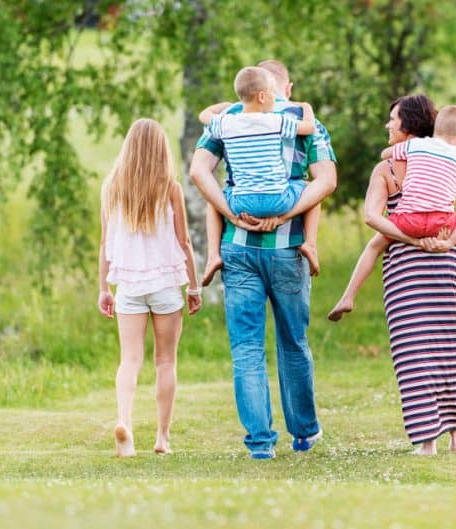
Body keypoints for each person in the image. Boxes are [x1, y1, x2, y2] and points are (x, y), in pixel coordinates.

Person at [189, 59, 336, 460]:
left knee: (247, 348)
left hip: (238, 245)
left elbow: (199, 171)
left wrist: (231, 212)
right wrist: (287, 215)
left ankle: (259, 443)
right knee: (293, 341)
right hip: (288, 247)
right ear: (284, 86)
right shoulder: (304, 123)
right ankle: (303, 432)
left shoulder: (231, 119)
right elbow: (326, 181)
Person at [363, 95, 456, 455]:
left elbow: (373, 220)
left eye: (393, 119)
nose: (388, 125)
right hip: (446, 260)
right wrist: (453, 238)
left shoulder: (387, 167)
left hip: (405, 270)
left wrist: (407, 237)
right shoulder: (454, 159)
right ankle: (454, 432)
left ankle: (427, 439)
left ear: (409, 125)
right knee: (450, 352)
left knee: (413, 354)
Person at [329, 105, 456, 336]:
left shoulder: (414, 146)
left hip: (408, 219)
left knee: (374, 246)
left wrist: (405, 152)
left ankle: (348, 297)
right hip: (441, 222)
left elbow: (386, 154)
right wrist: (450, 241)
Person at [97, 118, 202, 457]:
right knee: (165, 361)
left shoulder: (112, 187)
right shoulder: (169, 187)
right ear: (160, 148)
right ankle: (162, 437)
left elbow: (104, 243)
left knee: (129, 360)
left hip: (127, 284)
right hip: (165, 285)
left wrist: (103, 288)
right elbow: (184, 241)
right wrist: (195, 286)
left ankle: (124, 421)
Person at [197, 66, 321, 278]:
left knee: (214, 197)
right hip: (278, 201)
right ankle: (310, 244)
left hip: (240, 204)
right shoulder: (274, 121)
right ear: (262, 96)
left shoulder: (226, 123)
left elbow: (203, 115)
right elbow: (308, 127)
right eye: (273, 93)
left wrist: (226, 106)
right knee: (312, 188)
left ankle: (212, 255)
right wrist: (306, 106)